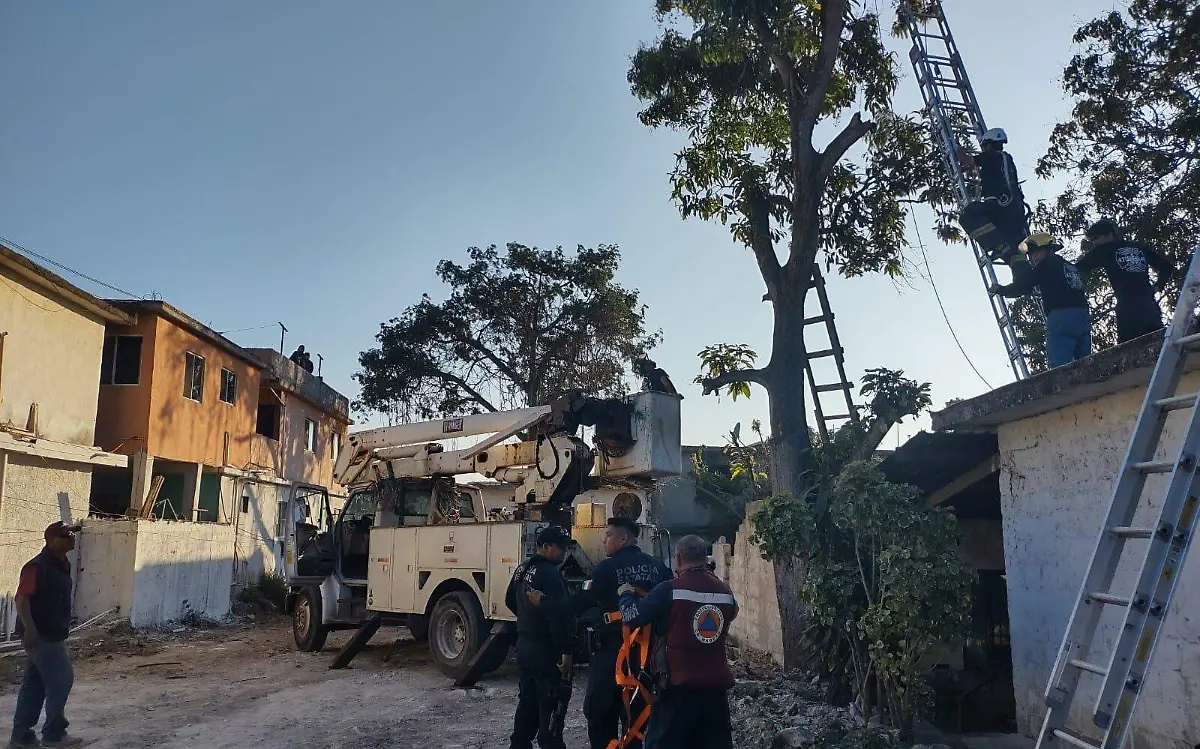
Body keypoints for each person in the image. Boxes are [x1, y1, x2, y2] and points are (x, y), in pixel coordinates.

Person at [616, 534, 739, 749]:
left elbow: (632, 616)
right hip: (715, 693)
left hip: (677, 690)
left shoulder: (670, 590)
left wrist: (625, 595)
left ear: (679, 557)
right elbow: (732, 613)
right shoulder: (725, 593)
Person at [573, 517, 672, 749]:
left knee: (599, 715)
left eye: (608, 535)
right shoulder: (658, 568)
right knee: (636, 719)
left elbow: (580, 602)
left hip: (610, 654)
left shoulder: (606, 568)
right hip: (645, 659)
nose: (604, 540)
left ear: (624, 538)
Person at [11, 522, 85, 749]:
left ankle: (21, 737)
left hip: (51, 633)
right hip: (41, 635)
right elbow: (21, 599)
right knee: (61, 679)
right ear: (51, 541)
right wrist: (30, 629)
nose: (71, 538)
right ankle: (54, 734)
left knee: (35, 685)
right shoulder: (37, 566)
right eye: (66, 535)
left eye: (72, 534)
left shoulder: (61, 565)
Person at [505, 525, 576, 749]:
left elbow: (509, 600)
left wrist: (528, 619)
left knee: (527, 702)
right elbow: (560, 616)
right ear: (546, 546)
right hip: (547, 650)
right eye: (561, 547)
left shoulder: (523, 568)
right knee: (552, 707)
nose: (565, 552)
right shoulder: (551, 575)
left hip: (525, 645)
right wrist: (566, 652)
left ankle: (520, 744)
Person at [989, 232, 1092, 368]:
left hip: (1061, 317)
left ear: (1049, 249)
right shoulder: (1067, 265)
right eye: (1031, 254)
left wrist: (1002, 289)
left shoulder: (1047, 265)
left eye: (1037, 251)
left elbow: (1025, 284)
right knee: (1086, 364)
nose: (1033, 257)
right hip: (1082, 316)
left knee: (1060, 366)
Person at [1076, 219, 1174, 342]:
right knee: (1158, 343)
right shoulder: (1139, 248)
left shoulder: (1104, 250)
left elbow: (1078, 267)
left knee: (1128, 348)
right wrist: (1158, 286)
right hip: (1149, 305)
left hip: (1128, 308)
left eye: (1096, 238)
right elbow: (1166, 267)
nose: (1094, 243)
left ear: (1109, 235)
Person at [958, 128, 1030, 263]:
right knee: (1014, 257)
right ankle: (1009, 254)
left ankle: (999, 245)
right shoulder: (1003, 159)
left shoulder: (992, 156)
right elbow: (972, 167)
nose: (983, 149)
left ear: (989, 144)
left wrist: (958, 150)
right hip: (1013, 211)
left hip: (1001, 205)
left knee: (969, 214)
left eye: (984, 146)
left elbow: (966, 161)